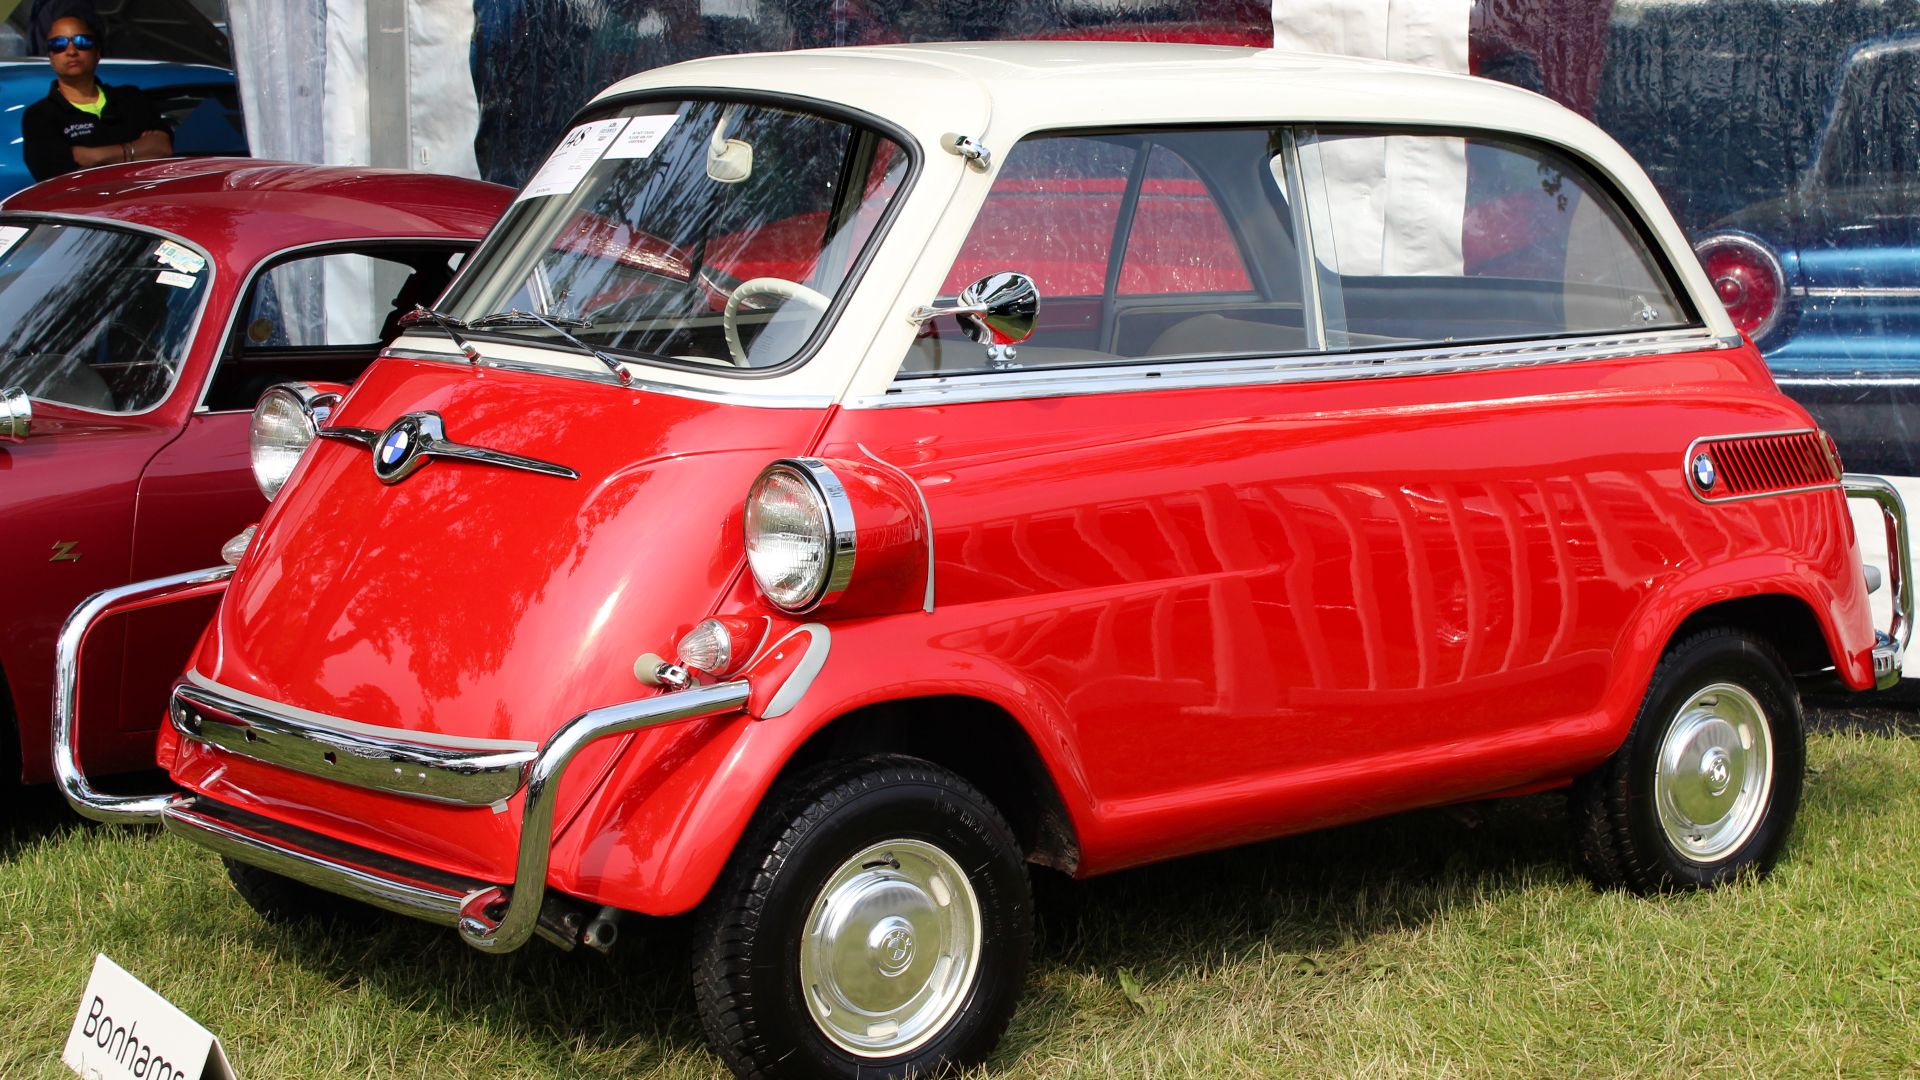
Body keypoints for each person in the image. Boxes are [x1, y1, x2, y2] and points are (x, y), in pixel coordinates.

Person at [20, 8, 171, 183]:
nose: (71, 51)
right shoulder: (40, 116)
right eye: (59, 44)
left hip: (139, 204)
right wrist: (135, 152)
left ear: (97, 53)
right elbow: (60, 179)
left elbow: (163, 149)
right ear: (51, 57)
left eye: (81, 42)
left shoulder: (131, 98)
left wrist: (96, 156)